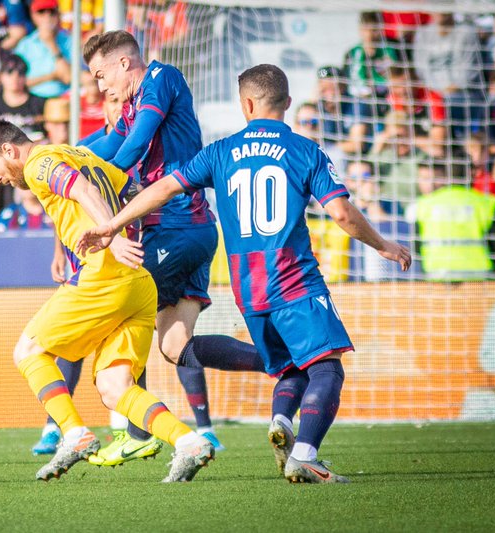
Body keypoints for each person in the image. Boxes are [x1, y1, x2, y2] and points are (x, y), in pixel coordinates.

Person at [77, 64, 412, 483]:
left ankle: (282, 423)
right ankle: (306, 455)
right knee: (327, 368)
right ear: (287, 103)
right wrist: (382, 245)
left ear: (246, 105)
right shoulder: (306, 150)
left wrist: (111, 224)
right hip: (294, 279)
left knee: (290, 367)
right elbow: (342, 213)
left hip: (248, 289)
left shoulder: (219, 152)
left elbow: (162, 188)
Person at [53, 30, 263, 466]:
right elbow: (108, 144)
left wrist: (98, 179)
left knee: (122, 302)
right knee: (175, 344)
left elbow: (130, 148)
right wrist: (62, 160)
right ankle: (276, 361)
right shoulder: (132, 106)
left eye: (100, 75)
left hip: (174, 225)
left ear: (123, 63)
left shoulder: (161, 78)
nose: (100, 87)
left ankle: (138, 433)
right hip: (192, 230)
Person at [0, 120, 215, 482]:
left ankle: (74, 434)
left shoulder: (38, 163)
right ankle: (189, 442)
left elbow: (82, 190)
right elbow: (133, 191)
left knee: (28, 351)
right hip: (137, 282)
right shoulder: (80, 154)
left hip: (103, 277)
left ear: (9, 150)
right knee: (115, 389)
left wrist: (113, 236)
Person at [414, 161, 495, 279]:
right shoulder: (484, 203)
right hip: (479, 275)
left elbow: (416, 246)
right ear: (471, 173)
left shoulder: (424, 204)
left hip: (436, 275)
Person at [0, 53, 46, 141]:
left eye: (20, 73)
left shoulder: (40, 103)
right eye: (9, 72)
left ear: (25, 77)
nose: (15, 77)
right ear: (1, 76)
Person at [14, 0, 72, 99]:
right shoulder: (25, 45)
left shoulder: (70, 41)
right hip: (32, 99)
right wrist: (52, 76)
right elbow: (17, 83)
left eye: (52, 12)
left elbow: (69, 78)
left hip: (63, 98)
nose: (47, 16)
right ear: (33, 16)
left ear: (58, 14)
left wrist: (51, 43)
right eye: (41, 12)